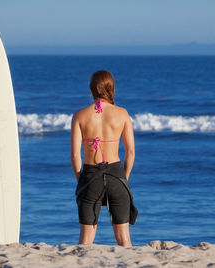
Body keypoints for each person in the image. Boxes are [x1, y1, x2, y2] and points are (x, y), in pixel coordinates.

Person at [71, 70, 136, 247]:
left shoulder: (79, 115)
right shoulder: (122, 114)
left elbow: (76, 155)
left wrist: (81, 181)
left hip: (90, 175)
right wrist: (124, 178)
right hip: (116, 174)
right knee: (124, 239)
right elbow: (130, 152)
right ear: (112, 89)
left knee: (85, 241)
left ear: (91, 89)